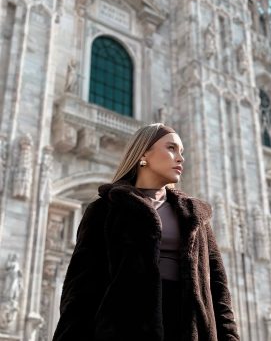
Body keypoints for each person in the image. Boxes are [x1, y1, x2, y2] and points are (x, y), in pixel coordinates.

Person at [52, 123, 240, 341]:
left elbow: (219, 291)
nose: (180, 158)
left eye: (182, 152)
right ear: (144, 154)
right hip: (125, 330)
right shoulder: (107, 209)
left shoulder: (195, 216)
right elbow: (80, 291)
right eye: (171, 148)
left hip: (189, 329)